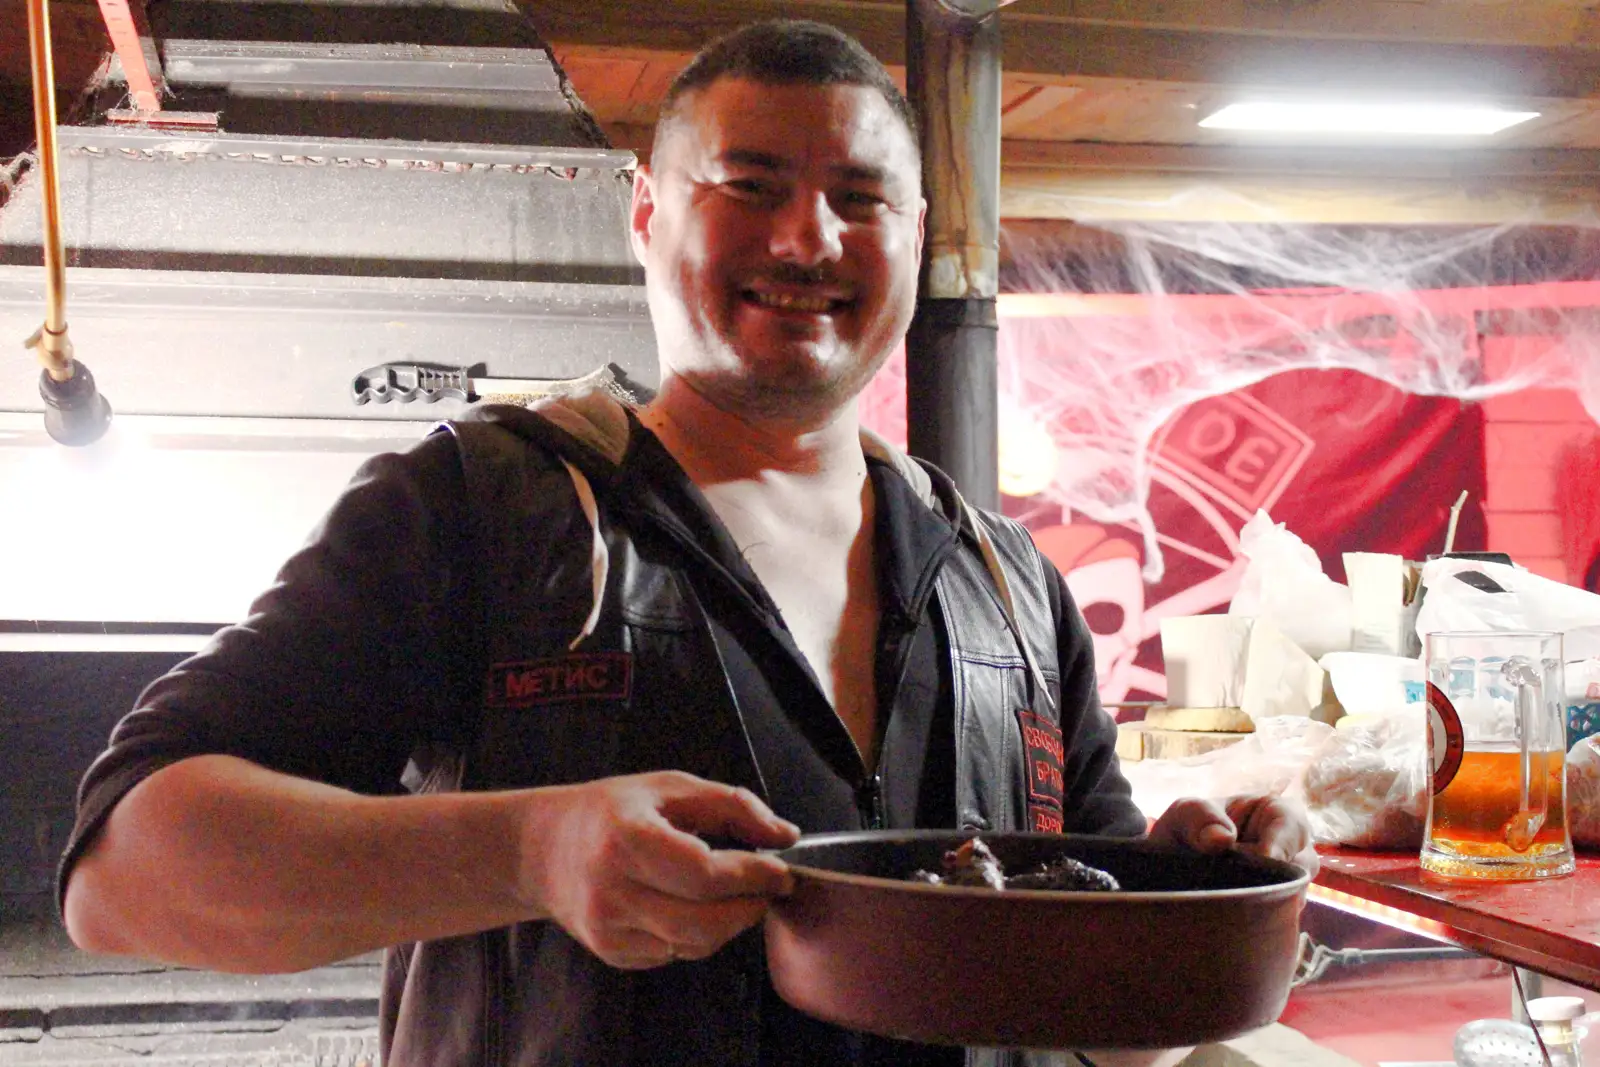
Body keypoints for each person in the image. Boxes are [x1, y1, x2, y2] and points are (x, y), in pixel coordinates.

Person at [58, 19, 1316, 1067]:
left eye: (859, 199)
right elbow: (123, 871)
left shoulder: (1007, 582)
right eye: (750, 186)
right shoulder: (486, 510)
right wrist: (529, 849)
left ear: (916, 231)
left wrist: (1198, 902)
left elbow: (1116, 1035)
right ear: (647, 213)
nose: (808, 239)